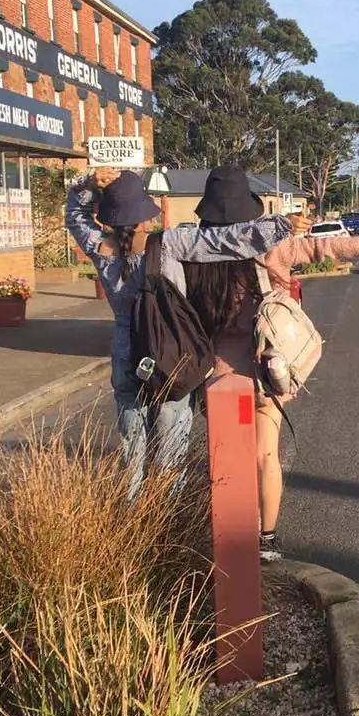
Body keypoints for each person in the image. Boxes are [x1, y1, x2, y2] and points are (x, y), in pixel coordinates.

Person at [183, 165, 359, 561]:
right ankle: (265, 540)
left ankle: (228, 536)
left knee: (224, 455)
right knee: (265, 454)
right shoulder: (272, 247)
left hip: (217, 370)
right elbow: (325, 247)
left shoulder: (195, 252)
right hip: (268, 365)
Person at [65, 167, 290, 495]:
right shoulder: (168, 244)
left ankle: (135, 515)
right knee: (171, 442)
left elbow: (75, 215)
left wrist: (86, 185)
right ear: (144, 214)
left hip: (127, 354)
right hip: (173, 352)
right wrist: (279, 226)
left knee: (132, 444)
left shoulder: (98, 245)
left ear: (107, 217)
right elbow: (223, 241)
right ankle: (169, 516)